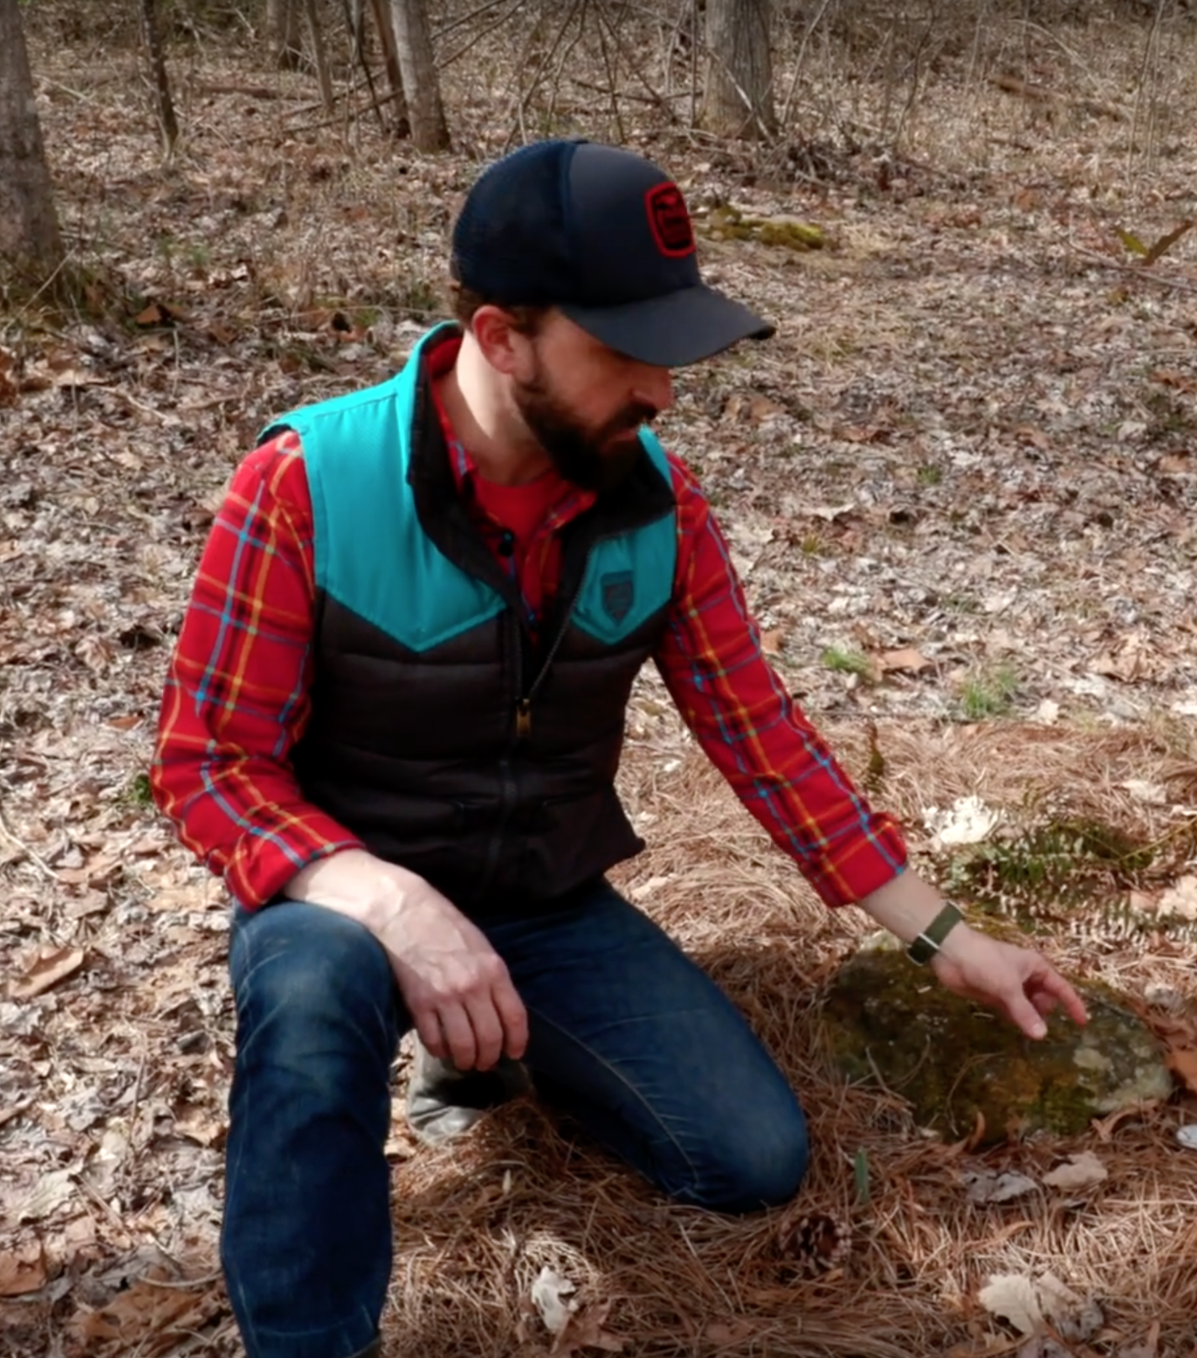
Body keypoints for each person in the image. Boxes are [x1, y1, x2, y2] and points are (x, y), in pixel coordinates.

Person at [149, 138, 1090, 1358]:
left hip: (543, 899)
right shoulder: (306, 484)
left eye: (669, 350)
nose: (661, 391)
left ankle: (488, 1051)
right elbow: (209, 766)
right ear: (501, 337)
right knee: (312, 996)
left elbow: (762, 734)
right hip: (339, 898)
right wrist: (390, 900)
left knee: (748, 1157)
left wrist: (945, 936)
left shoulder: (657, 502)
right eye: (624, 352)